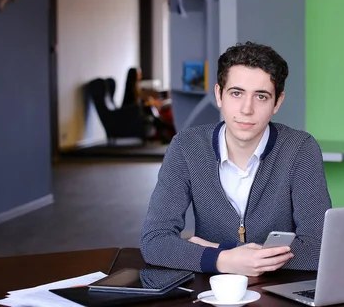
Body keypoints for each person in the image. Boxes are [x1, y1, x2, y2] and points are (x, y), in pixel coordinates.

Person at [140, 41, 332, 276]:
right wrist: (223, 260)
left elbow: (318, 249)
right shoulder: (186, 147)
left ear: (277, 103)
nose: (246, 109)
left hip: (277, 291)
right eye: (236, 93)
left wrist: (219, 251)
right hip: (212, 289)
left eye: (261, 96)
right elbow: (154, 241)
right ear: (219, 95)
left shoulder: (300, 149)